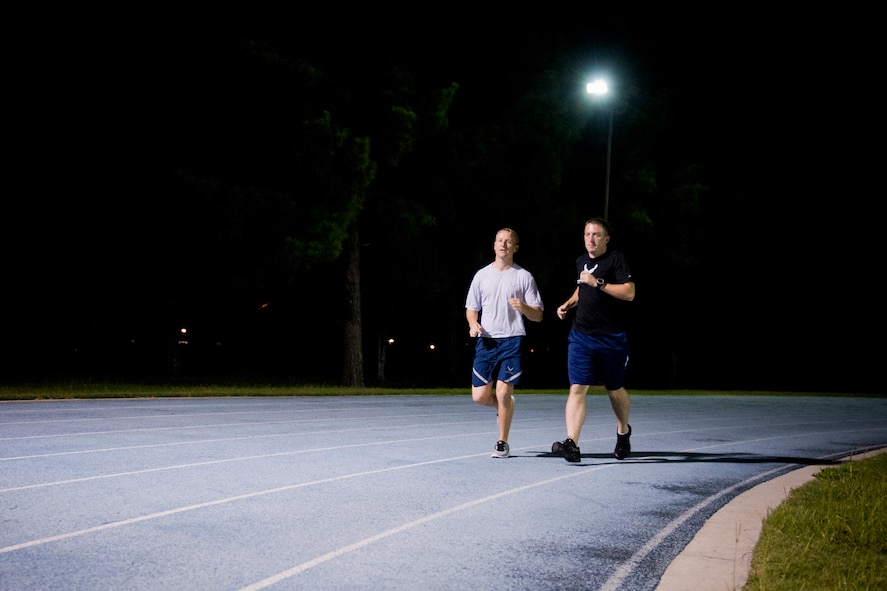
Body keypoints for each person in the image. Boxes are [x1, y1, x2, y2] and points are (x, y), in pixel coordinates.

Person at [552, 218, 636, 462]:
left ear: (606, 239)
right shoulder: (582, 261)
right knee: (577, 388)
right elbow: (581, 288)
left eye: (596, 235)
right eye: (587, 234)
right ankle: (572, 443)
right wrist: (568, 304)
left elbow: (629, 293)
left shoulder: (616, 259)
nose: (591, 239)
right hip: (581, 336)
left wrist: (598, 282)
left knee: (614, 389)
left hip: (612, 338)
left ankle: (623, 432)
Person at [466, 228, 544, 458]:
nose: (503, 244)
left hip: (512, 340)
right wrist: (473, 324)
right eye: (500, 240)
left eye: (508, 242)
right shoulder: (481, 275)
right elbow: (472, 308)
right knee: (479, 397)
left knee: (501, 393)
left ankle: (502, 442)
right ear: (494, 245)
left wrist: (525, 308)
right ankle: (506, 405)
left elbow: (538, 315)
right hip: (486, 342)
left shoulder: (523, 276)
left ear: (515, 248)